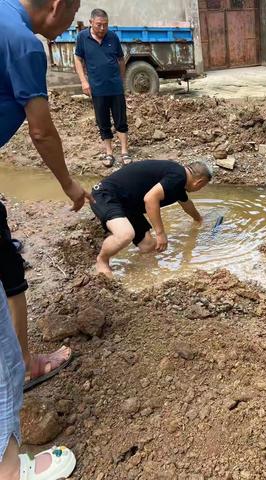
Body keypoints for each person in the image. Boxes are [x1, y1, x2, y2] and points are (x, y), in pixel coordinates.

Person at [0, 0, 92, 477]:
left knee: (10, 272)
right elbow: (41, 130)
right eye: (71, 14)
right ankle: (11, 467)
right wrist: (70, 185)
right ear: (56, 5)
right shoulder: (23, 42)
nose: (70, 24)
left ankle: (28, 360)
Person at [91, 160, 212, 277]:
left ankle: (143, 276)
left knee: (148, 246)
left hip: (127, 205)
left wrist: (199, 220)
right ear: (199, 182)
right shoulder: (178, 176)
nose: (199, 189)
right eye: (201, 187)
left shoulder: (177, 181)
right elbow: (150, 199)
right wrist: (160, 233)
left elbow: (187, 204)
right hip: (105, 196)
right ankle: (102, 260)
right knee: (126, 234)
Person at [74, 8, 131, 168]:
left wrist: (121, 79)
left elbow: (120, 59)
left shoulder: (113, 37)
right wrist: (84, 82)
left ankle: (124, 151)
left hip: (115, 87)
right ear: (91, 22)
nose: (102, 28)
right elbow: (78, 59)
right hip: (97, 88)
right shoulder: (82, 38)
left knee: (121, 120)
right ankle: (109, 153)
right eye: (99, 25)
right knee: (103, 121)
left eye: (105, 25)